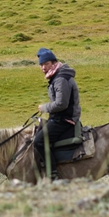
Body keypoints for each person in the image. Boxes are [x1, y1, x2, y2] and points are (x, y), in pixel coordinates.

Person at [33, 48, 81, 180]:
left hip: (65, 119)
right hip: (59, 117)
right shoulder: (57, 77)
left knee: (39, 141)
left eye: (46, 64)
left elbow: (61, 104)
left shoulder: (60, 79)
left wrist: (45, 107)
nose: (43, 68)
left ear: (54, 63)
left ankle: (53, 174)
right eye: (41, 65)